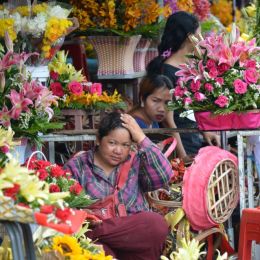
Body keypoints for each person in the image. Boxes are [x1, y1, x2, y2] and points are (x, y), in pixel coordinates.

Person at [64, 112, 173, 259]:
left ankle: (97, 233)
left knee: (156, 224)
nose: (118, 150)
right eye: (112, 143)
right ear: (98, 139)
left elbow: (164, 175)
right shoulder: (77, 166)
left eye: (125, 145)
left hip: (132, 237)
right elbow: (64, 208)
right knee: (96, 248)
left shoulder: (136, 162)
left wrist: (141, 138)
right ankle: (95, 234)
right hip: (97, 241)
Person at [147, 11, 220, 155]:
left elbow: (190, 110)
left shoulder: (187, 67)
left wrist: (205, 133)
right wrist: (183, 156)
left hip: (193, 141)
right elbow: (168, 122)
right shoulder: (167, 72)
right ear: (190, 37)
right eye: (199, 34)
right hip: (180, 147)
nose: (202, 39)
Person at [129, 74, 188, 159]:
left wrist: (171, 123)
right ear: (142, 99)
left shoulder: (152, 121)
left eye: (167, 103)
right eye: (155, 101)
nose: (162, 109)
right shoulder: (135, 125)